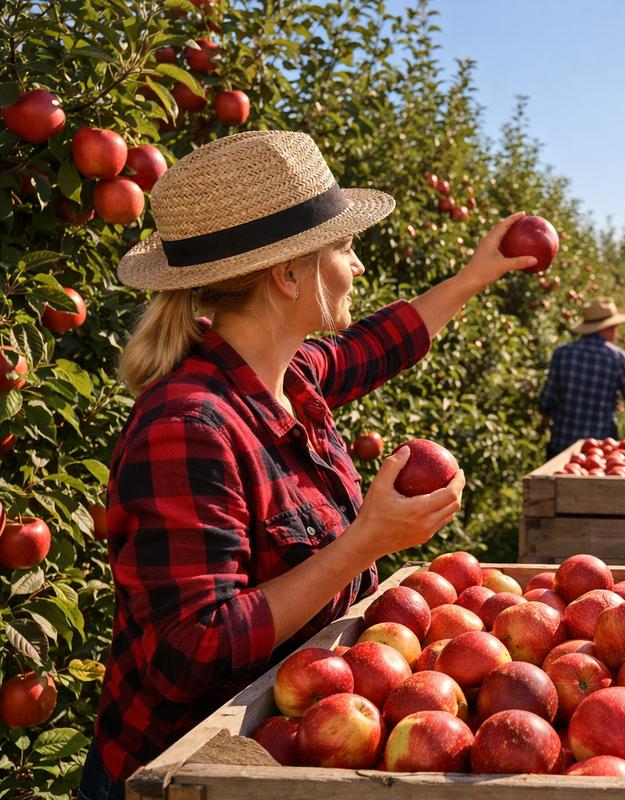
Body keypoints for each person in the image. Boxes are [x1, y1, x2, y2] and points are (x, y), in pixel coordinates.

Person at [76, 131, 541, 799]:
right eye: (344, 248)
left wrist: (474, 276)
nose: (359, 266)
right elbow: (190, 652)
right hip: (181, 777)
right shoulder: (188, 427)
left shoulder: (289, 376)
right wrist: (366, 543)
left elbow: (374, 346)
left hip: (272, 755)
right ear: (288, 275)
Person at [538, 297, 625, 458]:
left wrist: (542, 426)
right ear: (607, 328)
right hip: (599, 449)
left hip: (562, 443)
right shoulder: (617, 358)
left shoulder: (562, 353)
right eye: (615, 327)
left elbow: (548, 399)